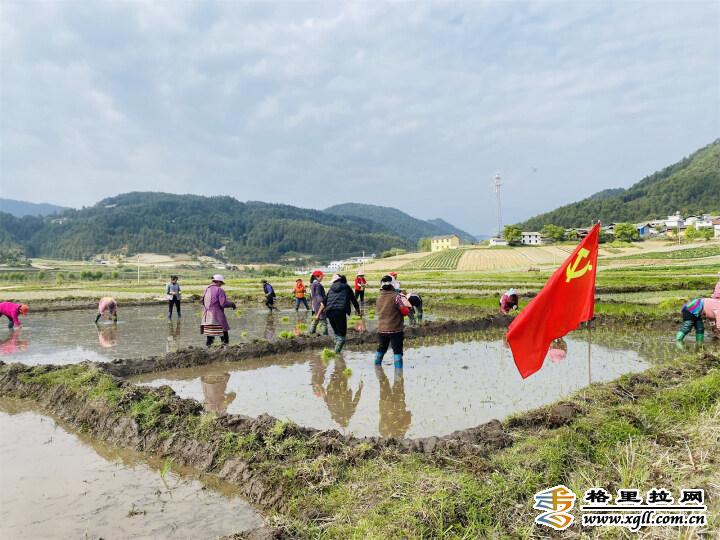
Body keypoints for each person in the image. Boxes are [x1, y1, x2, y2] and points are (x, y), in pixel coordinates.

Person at [374, 275, 410, 368]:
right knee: (397, 351)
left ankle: (377, 367)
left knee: (381, 348)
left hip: (382, 329)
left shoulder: (378, 297)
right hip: (395, 330)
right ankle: (398, 373)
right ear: (393, 285)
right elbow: (405, 312)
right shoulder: (396, 297)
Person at [325, 274, 360, 353]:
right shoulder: (346, 287)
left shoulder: (331, 288)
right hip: (339, 312)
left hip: (329, 312)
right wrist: (358, 311)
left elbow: (324, 301)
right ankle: (336, 354)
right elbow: (353, 300)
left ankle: (337, 353)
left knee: (337, 334)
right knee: (342, 337)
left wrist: (319, 313)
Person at [376, 365, 412, 438]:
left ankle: (378, 366)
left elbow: (408, 416)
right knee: (384, 381)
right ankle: (378, 367)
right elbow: (408, 416)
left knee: (393, 381)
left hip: (395, 402)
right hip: (387, 403)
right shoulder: (382, 431)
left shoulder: (383, 430)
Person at [201, 274, 236, 347]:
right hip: (216, 316)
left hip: (207, 316)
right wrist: (232, 304)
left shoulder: (206, 289)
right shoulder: (219, 290)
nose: (221, 285)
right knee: (224, 335)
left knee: (210, 336)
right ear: (218, 281)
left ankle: (208, 350)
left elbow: (202, 301)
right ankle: (225, 349)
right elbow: (223, 303)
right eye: (221, 283)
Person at [309, 270, 329, 336]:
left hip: (315, 305)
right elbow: (318, 295)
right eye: (322, 276)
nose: (322, 277)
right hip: (319, 305)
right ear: (317, 276)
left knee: (316, 319)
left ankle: (311, 332)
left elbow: (312, 295)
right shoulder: (317, 285)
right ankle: (325, 336)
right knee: (324, 321)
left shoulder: (312, 284)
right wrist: (322, 303)